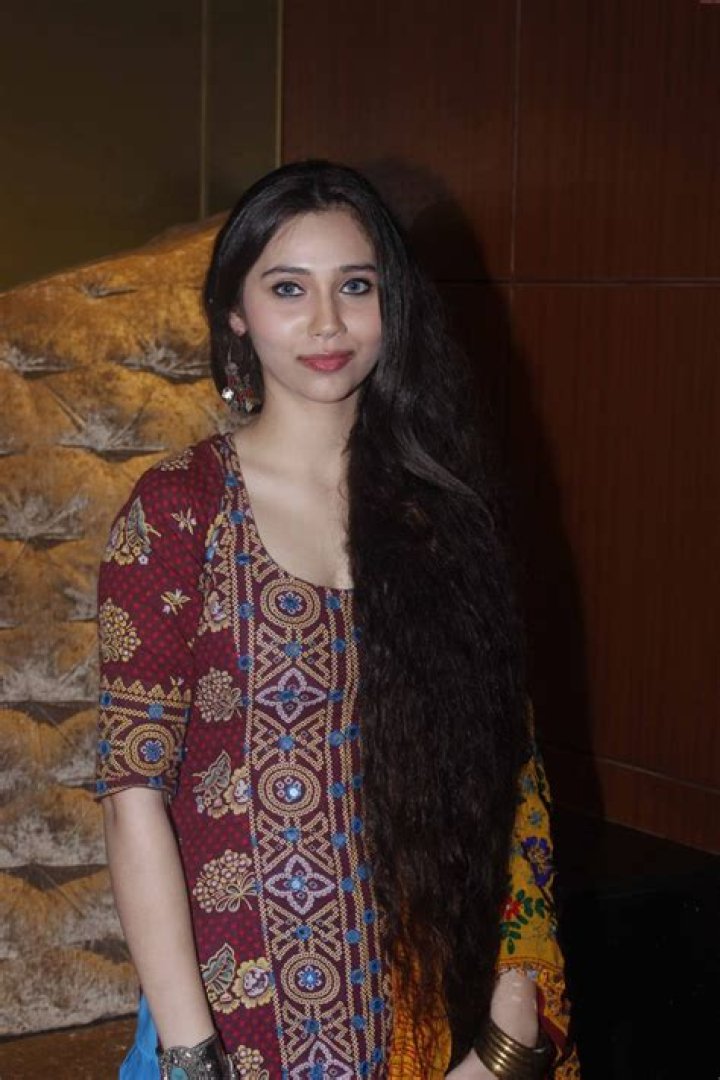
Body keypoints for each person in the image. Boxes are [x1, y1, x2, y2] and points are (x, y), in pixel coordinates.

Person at [96, 160, 579, 1080]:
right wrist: (195, 1058)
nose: (327, 323)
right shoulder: (179, 511)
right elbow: (133, 797)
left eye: (356, 286)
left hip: (436, 1017)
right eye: (289, 288)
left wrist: (509, 1029)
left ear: (394, 305)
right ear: (236, 314)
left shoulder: (444, 515)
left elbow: (512, 777)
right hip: (232, 1026)